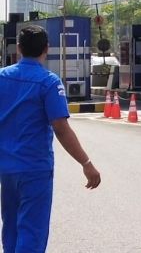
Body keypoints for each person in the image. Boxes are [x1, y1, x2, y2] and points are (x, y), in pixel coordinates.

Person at [0, 25, 101, 252]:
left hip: (6, 169)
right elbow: (61, 128)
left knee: (11, 229)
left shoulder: (2, 78)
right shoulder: (48, 82)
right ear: (47, 48)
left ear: (18, 48)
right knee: (32, 231)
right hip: (34, 169)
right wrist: (86, 164)